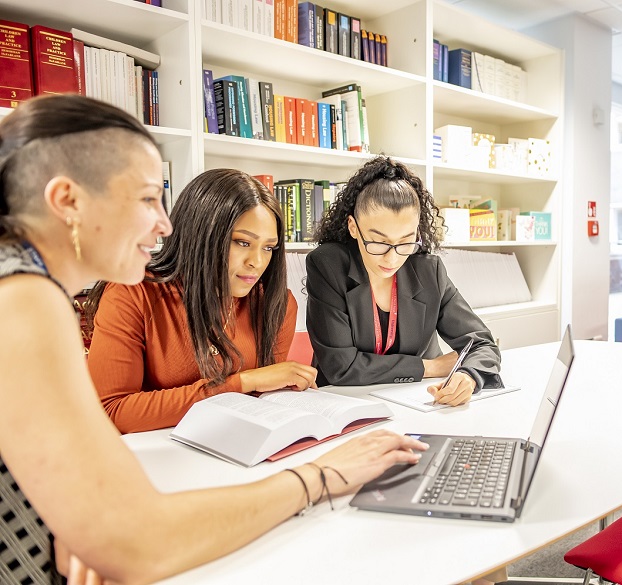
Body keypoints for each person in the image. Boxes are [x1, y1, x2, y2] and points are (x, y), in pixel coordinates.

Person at [0, 95, 426, 585]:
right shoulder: (25, 298)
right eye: (146, 199)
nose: (164, 224)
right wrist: (322, 477)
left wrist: (84, 513)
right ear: (67, 202)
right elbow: (140, 539)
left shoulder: (24, 286)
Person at [86, 169, 317, 433]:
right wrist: (239, 383)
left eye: (268, 247)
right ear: (200, 235)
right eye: (242, 242)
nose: (257, 262)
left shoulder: (277, 304)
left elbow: (266, 399)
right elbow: (111, 411)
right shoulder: (132, 293)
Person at [306, 156, 502, 407]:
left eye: (405, 242)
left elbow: (481, 344)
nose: (392, 257)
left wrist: (468, 376)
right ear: (354, 228)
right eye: (378, 242)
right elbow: (342, 367)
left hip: (416, 403)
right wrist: (429, 367)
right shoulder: (328, 265)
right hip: (345, 405)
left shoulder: (429, 270)